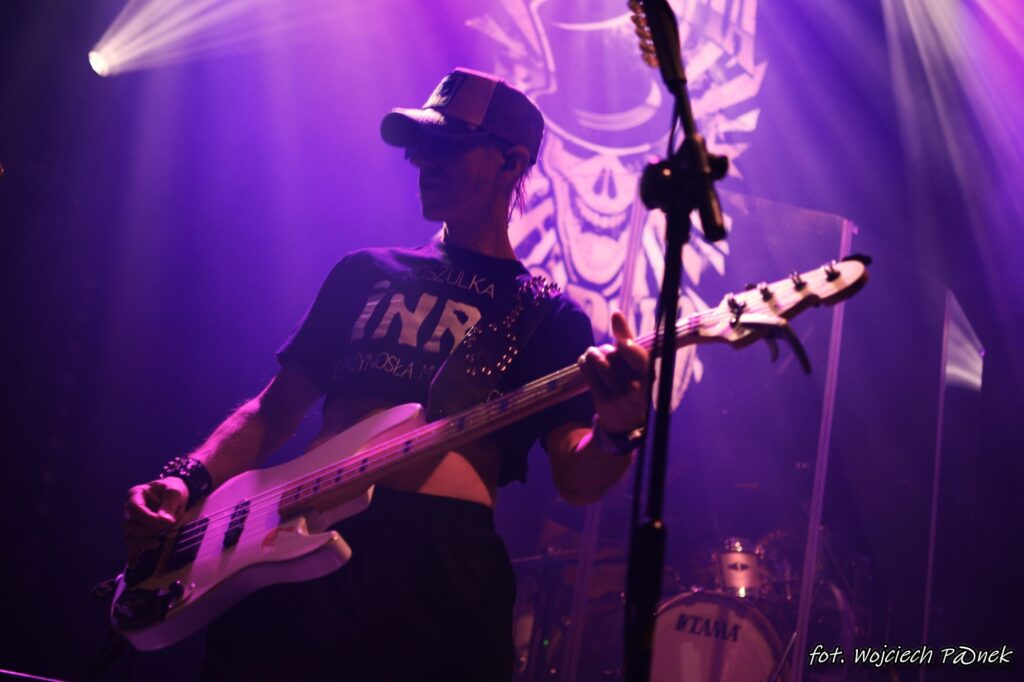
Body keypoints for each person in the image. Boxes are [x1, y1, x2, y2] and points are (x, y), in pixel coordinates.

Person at [122, 67, 649, 681]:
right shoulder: (365, 271)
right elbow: (273, 411)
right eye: (421, 144)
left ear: (511, 163)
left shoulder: (548, 315)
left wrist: (618, 428)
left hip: (440, 561)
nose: (423, 160)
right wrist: (187, 477)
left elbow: (577, 479)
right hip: (292, 535)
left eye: (448, 146)